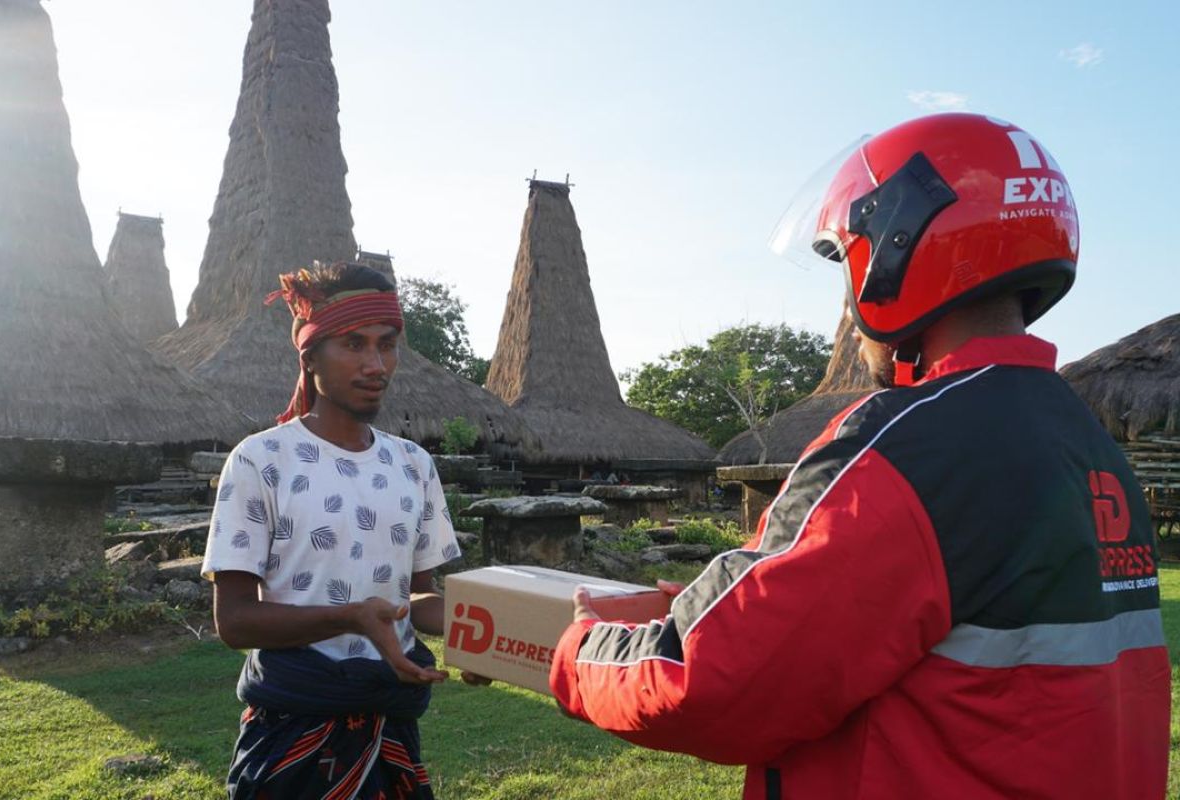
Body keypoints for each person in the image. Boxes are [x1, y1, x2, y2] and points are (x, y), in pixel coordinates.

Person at [550, 113, 1170, 799]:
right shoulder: (1088, 447)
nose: (847, 298)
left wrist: (584, 648)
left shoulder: (909, 450)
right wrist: (723, 600)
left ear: (898, 247)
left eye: (846, 263)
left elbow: (715, 682)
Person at [202, 261, 462, 800]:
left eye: (386, 345)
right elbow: (235, 621)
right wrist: (350, 618)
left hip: (390, 735)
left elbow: (418, 596)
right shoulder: (261, 461)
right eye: (353, 344)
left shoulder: (413, 465)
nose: (376, 364)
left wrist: (479, 636)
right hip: (291, 739)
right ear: (309, 355)